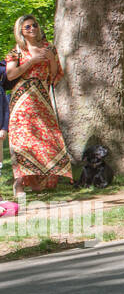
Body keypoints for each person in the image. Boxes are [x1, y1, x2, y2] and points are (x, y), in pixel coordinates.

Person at [4, 15, 74, 194]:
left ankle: (37, 180)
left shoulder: (49, 48)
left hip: (42, 98)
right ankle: (19, 182)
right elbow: (11, 75)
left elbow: (54, 75)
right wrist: (32, 61)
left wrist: (50, 59)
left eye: (34, 25)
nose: (32, 29)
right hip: (22, 99)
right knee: (22, 141)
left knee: (45, 139)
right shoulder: (16, 52)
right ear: (21, 31)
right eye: (27, 27)